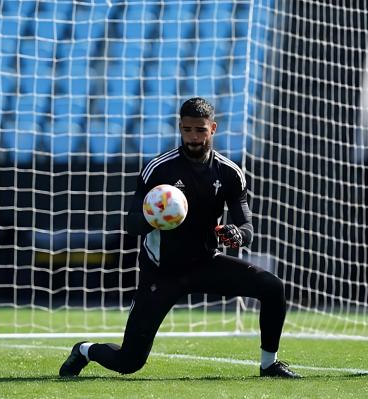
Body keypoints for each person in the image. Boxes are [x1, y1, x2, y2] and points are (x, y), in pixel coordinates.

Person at [59, 97, 301, 379]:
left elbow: (246, 225)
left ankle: (269, 364)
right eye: (187, 130)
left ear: (213, 129)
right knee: (129, 362)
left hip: (206, 264)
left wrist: (237, 234)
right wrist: (154, 217)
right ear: (180, 128)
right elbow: (132, 224)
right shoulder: (159, 169)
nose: (193, 137)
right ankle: (85, 350)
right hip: (162, 272)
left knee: (272, 287)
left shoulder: (230, 173)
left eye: (200, 130)